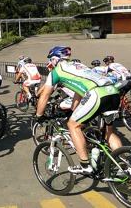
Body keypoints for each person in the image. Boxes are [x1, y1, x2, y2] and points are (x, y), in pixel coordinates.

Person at [36, 46, 121, 175]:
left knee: (73, 125)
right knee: (108, 132)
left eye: (50, 60)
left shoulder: (57, 71)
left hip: (97, 94)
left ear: (54, 59)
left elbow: (45, 95)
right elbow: (78, 92)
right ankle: (123, 166)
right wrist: (73, 111)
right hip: (113, 92)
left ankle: (85, 165)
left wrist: (39, 115)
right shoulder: (79, 65)